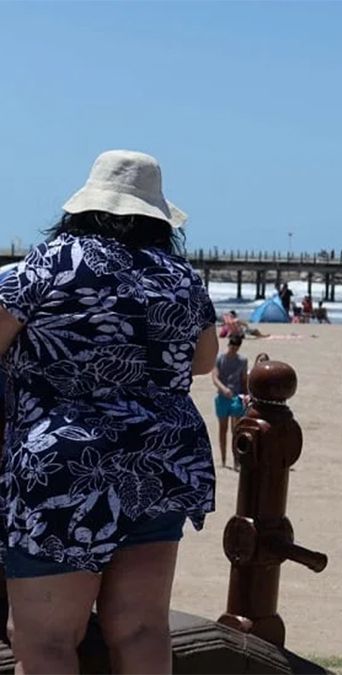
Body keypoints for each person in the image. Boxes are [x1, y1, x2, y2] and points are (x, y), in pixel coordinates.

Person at [0, 150, 217, 673]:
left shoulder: (47, 263)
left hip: (66, 463)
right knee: (142, 628)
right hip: (163, 459)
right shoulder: (181, 277)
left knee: (46, 639)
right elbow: (205, 360)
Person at [212, 334, 249, 470]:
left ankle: (236, 460)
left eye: (235, 347)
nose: (233, 349)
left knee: (236, 430)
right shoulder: (220, 359)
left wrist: (246, 396)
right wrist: (223, 389)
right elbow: (215, 377)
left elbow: (244, 380)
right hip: (222, 397)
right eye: (231, 346)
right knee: (223, 429)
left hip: (236, 397)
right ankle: (223, 460)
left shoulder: (242, 361)